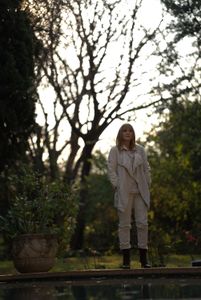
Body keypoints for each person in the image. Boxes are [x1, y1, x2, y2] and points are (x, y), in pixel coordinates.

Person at [107, 123, 151, 269]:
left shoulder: (141, 150)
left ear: (133, 134)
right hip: (124, 191)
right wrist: (117, 186)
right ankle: (126, 261)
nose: (127, 133)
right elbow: (111, 170)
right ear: (120, 133)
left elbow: (146, 168)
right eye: (125, 130)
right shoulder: (115, 151)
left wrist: (148, 183)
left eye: (130, 130)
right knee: (124, 225)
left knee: (142, 224)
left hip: (140, 191)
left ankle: (144, 260)